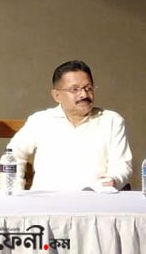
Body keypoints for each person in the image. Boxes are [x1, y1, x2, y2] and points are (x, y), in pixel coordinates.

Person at [8, 60, 132, 191]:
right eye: (75, 89)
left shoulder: (111, 121)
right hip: (46, 199)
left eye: (88, 88)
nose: (84, 94)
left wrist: (113, 180)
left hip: (95, 198)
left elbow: (122, 165)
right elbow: (13, 154)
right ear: (57, 95)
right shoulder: (40, 121)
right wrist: (15, 192)